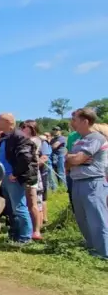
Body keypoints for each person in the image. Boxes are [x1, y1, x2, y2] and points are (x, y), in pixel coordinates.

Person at [66, 108, 108, 259]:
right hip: (77, 181)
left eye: (75, 119)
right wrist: (72, 159)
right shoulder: (79, 140)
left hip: (93, 183)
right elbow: (67, 163)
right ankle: (92, 247)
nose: (72, 122)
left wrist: (74, 159)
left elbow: (77, 159)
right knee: (82, 218)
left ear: (85, 121)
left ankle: (104, 252)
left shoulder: (96, 138)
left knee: (96, 218)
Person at [0, 113, 38, 243]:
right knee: (10, 209)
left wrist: (15, 173)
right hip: (4, 177)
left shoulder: (19, 137)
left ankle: (25, 237)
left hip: (12, 178)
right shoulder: (5, 137)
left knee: (19, 207)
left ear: (8, 122)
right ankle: (14, 234)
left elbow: (25, 158)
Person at [21, 120, 47, 231]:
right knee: (29, 201)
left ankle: (37, 228)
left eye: (27, 127)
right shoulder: (25, 140)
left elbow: (44, 157)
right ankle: (33, 227)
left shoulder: (36, 140)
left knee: (36, 201)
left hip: (32, 173)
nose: (24, 129)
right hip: (26, 172)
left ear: (33, 129)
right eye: (23, 127)